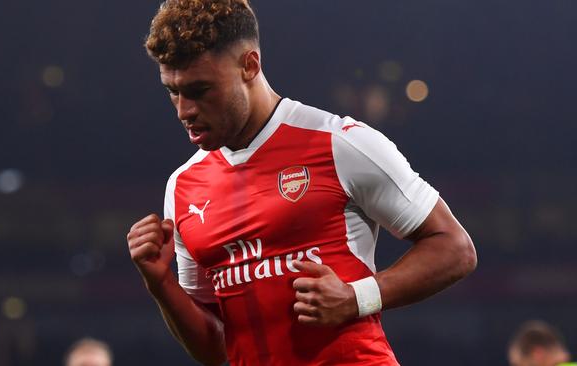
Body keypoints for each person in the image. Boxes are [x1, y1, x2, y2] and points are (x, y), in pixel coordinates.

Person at [126, 0, 477, 364]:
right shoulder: (183, 187)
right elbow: (217, 349)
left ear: (250, 65)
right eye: (173, 90)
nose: (184, 110)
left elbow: (455, 247)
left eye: (200, 90)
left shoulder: (340, 142)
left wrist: (357, 297)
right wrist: (161, 284)